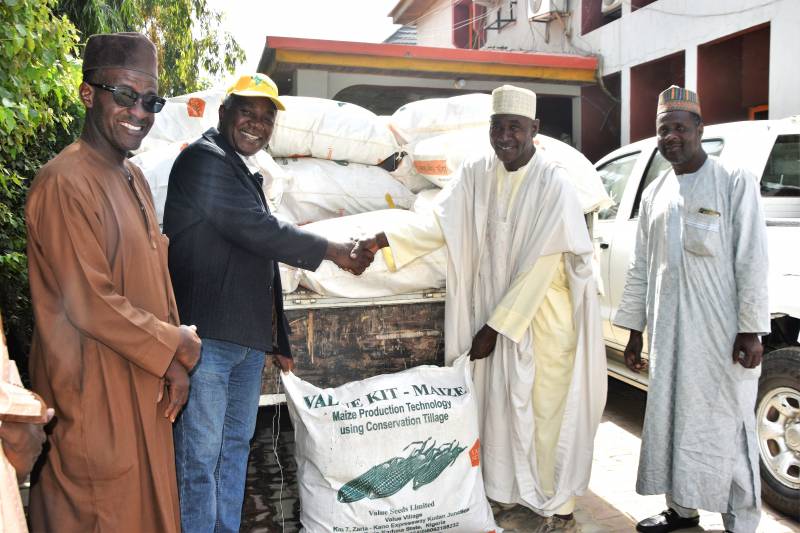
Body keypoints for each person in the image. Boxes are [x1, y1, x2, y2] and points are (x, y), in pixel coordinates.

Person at [355, 85, 607, 533]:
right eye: (497, 126)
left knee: (547, 413)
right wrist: (384, 239)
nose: (504, 136)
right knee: (501, 411)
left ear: (535, 130)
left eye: (515, 127)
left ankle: (561, 507)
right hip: (494, 311)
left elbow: (542, 267)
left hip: (546, 324)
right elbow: (439, 221)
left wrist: (494, 327)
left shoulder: (555, 185)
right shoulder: (476, 172)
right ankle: (511, 495)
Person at [163, 73, 373, 533]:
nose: (256, 125)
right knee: (200, 456)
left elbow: (263, 256)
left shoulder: (245, 172)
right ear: (224, 113)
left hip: (244, 339)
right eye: (247, 113)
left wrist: (278, 337)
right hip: (208, 340)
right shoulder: (204, 161)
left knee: (234, 448)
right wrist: (335, 250)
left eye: (266, 118)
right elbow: (256, 230)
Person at [24, 32, 202, 532]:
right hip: (94, 395)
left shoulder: (134, 178)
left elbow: (154, 278)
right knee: (102, 513)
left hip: (144, 387)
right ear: (88, 93)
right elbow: (89, 302)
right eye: (124, 95)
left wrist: (173, 364)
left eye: (150, 101)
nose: (139, 112)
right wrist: (176, 344)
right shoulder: (64, 181)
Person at [613, 86, 769, 533]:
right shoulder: (655, 193)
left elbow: (751, 258)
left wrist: (750, 330)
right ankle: (681, 512)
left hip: (719, 337)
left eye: (681, 128)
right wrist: (634, 331)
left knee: (727, 426)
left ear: (700, 130)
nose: (672, 137)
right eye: (665, 130)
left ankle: (740, 520)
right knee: (671, 420)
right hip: (668, 333)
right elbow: (641, 266)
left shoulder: (733, 180)